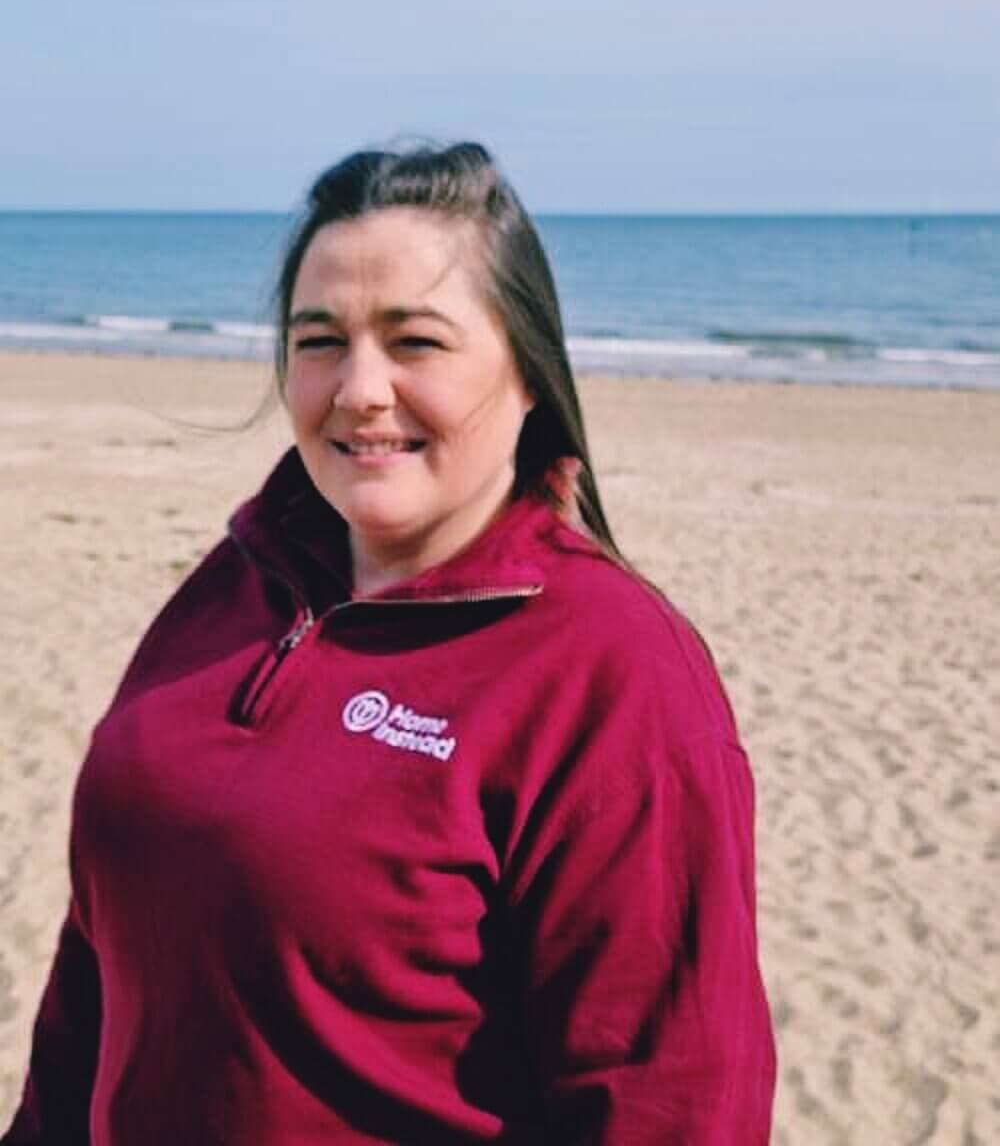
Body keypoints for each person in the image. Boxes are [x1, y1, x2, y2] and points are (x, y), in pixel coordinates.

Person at [4, 142, 776, 1144]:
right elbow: (101, 959)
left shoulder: (614, 672)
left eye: (414, 342)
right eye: (319, 340)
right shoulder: (237, 580)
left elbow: (670, 1099)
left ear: (529, 371)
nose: (360, 389)